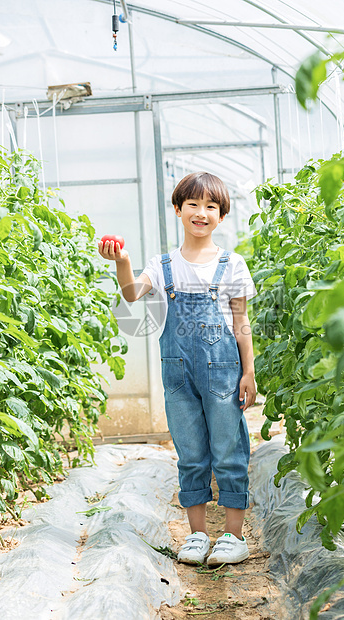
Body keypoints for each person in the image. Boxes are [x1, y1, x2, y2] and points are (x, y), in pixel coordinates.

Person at [98, 171, 257, 567]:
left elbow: (241, 324)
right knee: (190, 453)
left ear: (221, 216)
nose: (201, 213)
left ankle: (234, 537)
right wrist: (124, 261)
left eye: (211, 207)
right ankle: (197, 535)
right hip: (178, 374)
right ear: (178, 209)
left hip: (223, 371)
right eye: (193, 205)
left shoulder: (231, 264)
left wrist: (249, 372)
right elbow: (132, 294)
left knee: (228, 450)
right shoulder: (163, 264)